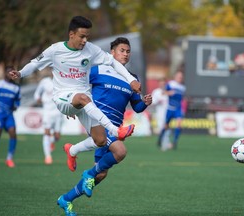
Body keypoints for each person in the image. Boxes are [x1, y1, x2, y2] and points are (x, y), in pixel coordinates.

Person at [9, 16, 141, 162]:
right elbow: (35, 64)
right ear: (71, 34)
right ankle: (115, 130)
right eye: (82, 36)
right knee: (83, 98)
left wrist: (131, 79)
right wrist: (20, 73)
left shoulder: (91, 50)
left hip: (82, 102)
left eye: (87, 37)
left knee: (101, 140)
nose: (85, 40)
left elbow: (113, 63)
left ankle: (72, 151)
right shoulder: (55, 50)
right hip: (64, 98)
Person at [57, 37, 152, 215]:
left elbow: (137, 107)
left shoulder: (132, 79)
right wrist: (72, 106)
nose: (125, 54)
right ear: (112, 53)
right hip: (97, 123)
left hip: (115, 127)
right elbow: (77, 86)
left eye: (128, 51)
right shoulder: (98, 69)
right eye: (122, 50)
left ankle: (66, 199)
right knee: (120, 152)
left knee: (100, 174)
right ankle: (85, 171)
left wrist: (144, 102)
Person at [0, 66, 21, 167]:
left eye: (12, 73)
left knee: (13, 133)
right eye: (9, 72)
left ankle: (9, 158)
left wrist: (16, 105)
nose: (11, 75)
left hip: (9, 115)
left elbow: (18, 100)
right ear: (5, 74)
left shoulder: (16, 87)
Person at [34, 73, 64, 165]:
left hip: (58, 112)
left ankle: (51, 141)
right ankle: (48, 157)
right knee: (46, 132)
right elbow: (37, 93)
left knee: (57, 137)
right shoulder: (45, 81)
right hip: (47, 111)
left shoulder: (62, 81)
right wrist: (37, 99)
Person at [157, 70, 186, 150]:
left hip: (178, 109)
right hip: (170, 108)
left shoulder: (183, 87)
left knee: (179, 124)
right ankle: (160, 138)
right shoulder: (170, 84)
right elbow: (163, 92)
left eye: (181, 77)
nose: (180, 78)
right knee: (166, 126)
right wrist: (170, 93)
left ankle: (175, 142)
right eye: (179, 76)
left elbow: (182, 99)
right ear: (175, 77)